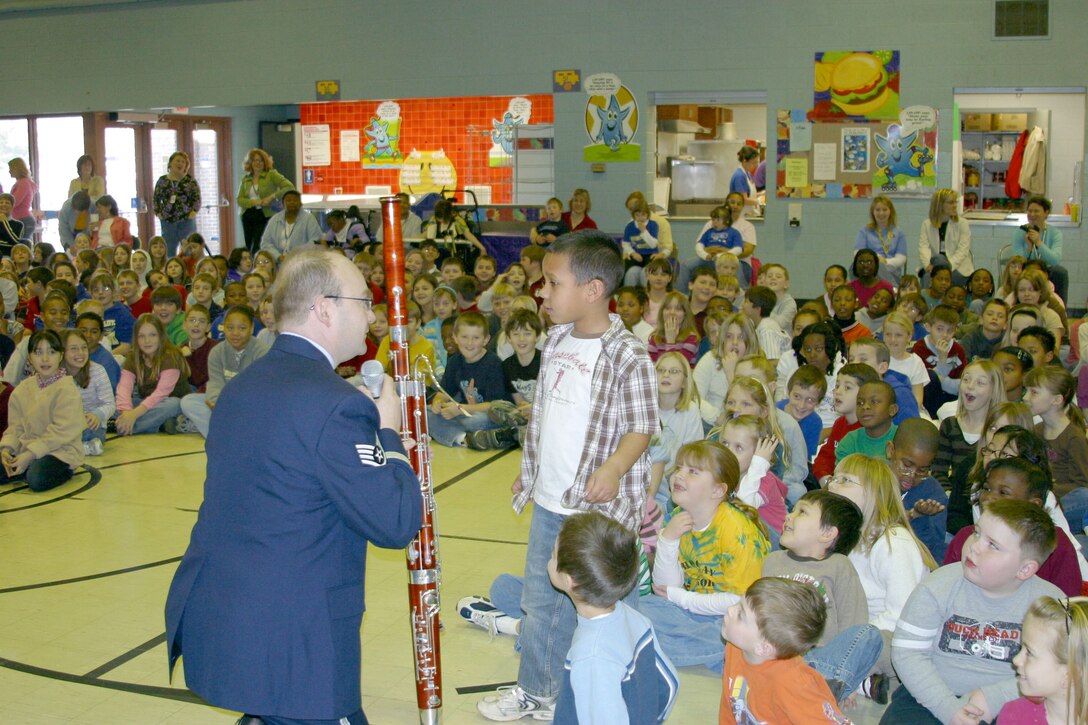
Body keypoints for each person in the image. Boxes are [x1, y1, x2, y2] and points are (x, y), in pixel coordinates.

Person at [165, 249, 422, 725]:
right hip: (292, 644)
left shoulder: (243, 386)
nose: (372, 314)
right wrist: (389, 434)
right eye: (364, 301)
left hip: (226, 614)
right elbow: (396, 522)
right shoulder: (337, 406)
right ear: (325, 308)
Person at [477, 230, 657, 721]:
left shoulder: (627, 353)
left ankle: (610, 682)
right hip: (551, 500)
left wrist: (615, 468)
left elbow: (643, 426)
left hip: (595, 510)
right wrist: (529, 471)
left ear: (593, 290)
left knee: (599, 602)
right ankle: (539, 691)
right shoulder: (556, 338)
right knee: (541, 600)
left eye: (553, 284)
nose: (542, 292)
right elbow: (547, 415)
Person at [883, 498, 1063, 724]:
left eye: (993, 545)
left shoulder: (1051, 606)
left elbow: (1061, 670)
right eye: (977, 533)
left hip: (1016, 698)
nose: (975, 546)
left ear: (1025, 569)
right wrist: (947, 707)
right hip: (931, 695)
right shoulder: (938, 585)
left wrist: (994, 697)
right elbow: (908, 654)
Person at [549, 512, 679, 725]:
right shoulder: (632, 617)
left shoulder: (591, 655)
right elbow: (670, 683)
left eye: (553, 555)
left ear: (568, 580)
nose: (550, 558)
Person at [762, 489, 885, 702]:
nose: (789, 516)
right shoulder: (773, 560)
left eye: (802, 512)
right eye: (792, 510)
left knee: (869, 634)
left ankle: (830, 682)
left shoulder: (839, 566)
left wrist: (848, 669)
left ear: (827, 534)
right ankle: (817, 686)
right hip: (777, 653)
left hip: (821, 656)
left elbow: (852, 620)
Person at [719, 577, 851, 724]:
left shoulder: (793, 684)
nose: (730, 610)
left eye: (740, 615)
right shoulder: (736, 647)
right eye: (739, 603)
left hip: (805, 699)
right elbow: (730, 705)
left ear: (763, 648)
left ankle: (826, 685)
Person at [0, 329, 84, 492]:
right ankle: (23, 466)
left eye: (51, 352)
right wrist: (6, 449)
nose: (45, 359)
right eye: (38, 352)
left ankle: (62, 470)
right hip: (25, 448)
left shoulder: (67, 389)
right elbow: (15, 427)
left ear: (60, 356)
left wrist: (30, 454)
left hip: (59, 451)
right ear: (30, 358)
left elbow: (61, 432)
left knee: (36, 479)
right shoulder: (22, 389)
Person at [180, 305, 268, 438]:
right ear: (223, 328)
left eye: (242, 328)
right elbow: (215, 383)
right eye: (230, 328)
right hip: (224, 402)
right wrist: (217, 404)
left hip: (250, 403)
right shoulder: (217, 352)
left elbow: (259, 389)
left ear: (251, 329)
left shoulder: (262, 351)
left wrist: (231, 406)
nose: (235, 333)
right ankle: (220, 436)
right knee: (188, 401)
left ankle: (231, 431)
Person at [1000, 595, 1088, 724]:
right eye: (1021, 648)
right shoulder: (1015, 715)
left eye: (1029, 653)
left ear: (1070, 674)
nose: (1016, 660)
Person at [1025, 366, 1088, 536]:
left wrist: (1051, 488)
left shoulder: (1074, 437)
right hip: (1038, 499)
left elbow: (1081, 483)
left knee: (1085, 497)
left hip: (1061, 502)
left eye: (1034, 392)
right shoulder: (1035, 431)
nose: (1026, 397)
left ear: (1056, 400)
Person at [114, 313, 189, 436]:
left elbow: (161, 394)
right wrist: (126, 412)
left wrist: (133, 415)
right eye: (141, 336)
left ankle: (122, 427)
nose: (147, 341)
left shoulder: (170, 356)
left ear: (161, 336)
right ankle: (157, 424)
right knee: (116, 403)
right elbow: (124, 387)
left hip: (168, 402)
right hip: (146, 403)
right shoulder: (133, 356)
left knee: (174, 404)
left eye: (152, 335)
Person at [887, 419, 948, 561]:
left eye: (923, 470)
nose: (912, 475)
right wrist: (910, 515)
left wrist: (922, 518)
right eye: (907, 465)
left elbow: (932, 550)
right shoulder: (874, 479)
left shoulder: (934, 495)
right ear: (890, 451)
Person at [61, 329, 113, 457]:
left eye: (84, 348)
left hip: (90, 426)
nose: (80, 353)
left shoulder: (98, 371)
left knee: (89, 433)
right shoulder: (55, 375)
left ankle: (70, 448)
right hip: (64, 425)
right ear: (62, 352)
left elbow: (110, 404)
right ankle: (82, 448)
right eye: (73, 349)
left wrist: (97, 415)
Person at [236, 148, 295, 253]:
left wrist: (272, 196)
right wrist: (255, 202)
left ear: (265, 162)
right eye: (254, 160)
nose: (257, 163)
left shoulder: (271, 174)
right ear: (250, 163)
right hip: (248, 214)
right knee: (249, 245)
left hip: (265, 214)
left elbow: (289, 187)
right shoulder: (246, 179)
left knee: (258, 245)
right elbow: (239, 200)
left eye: (260, 160)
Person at [1013, 195, 1067, 302]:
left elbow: (1055, 260)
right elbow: (1017, 260)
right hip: (1026, 268)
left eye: (1036, 211)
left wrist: (1038, 243)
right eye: (1030, 211)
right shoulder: (1020, 231)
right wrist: (1028, 248)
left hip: (1047, 269)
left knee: (1060, 272)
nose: (1032, 215)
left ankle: (1059, 308)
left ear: (1046, 213)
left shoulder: (1055, 233)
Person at [919, 188, 973, 286]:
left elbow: (963, 250)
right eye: (951, 202)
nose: (955, 205)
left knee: (939, 277)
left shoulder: (962, 224)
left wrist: (947, 267)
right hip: (934, 267)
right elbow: (923, 248)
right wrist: (927, 265)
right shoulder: (926, 224)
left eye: (955, 202)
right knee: (927, 277)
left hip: (957, 268)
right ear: (940, 205)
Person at [153, 151, 201, 257]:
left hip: (186, 219)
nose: (180, 163)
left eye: (183, 162)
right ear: (170, 164)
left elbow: (197, 198)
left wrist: (194, 212)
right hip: (167, 220)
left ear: (186, 165)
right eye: (177, 161)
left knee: (188, 248)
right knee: (169, 248)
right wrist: (158, 213)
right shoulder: (162, 180)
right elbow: (156, 198)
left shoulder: (190, 181)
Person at [855, 194, 907, 286]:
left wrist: (886, 262)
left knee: (880, 267)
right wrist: (876, 259)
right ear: (873, 212)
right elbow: (858, 253)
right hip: (869, 267)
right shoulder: (864, 231)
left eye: (884, 209)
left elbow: (901, 258)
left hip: (892, 270)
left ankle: (891, 287)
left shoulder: (899, 232)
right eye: (878, 210)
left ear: (890, 211)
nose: (881, 213)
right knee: (853, 267)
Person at [259, 189, 322, 260]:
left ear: (301, 203)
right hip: (278, 262)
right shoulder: (274, 219)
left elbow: (315, 240)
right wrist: (278, 257)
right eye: (288, 200)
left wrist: (297, 256)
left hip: (301, 261)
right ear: (282, 204)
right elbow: (265, 243)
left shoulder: (309, 218)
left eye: (295, 200)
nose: (292, 202)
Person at [8, 158, 37, 241]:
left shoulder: (23, 183)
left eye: (11, 169)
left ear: (17, 169)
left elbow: (15, 202)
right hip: (21, 218)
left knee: (22, 246)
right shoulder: (23, 182)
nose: (9, 171)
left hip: (23, 219)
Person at [729, 145, 762, 210]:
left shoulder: (747, 173)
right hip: (740, 214)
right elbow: (743, 200)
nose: (756, 165)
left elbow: (750, 195)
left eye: (757, 162)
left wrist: (762, 194)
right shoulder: (739, 176)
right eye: (753, 162)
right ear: (744, 161)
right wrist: (760, 202)